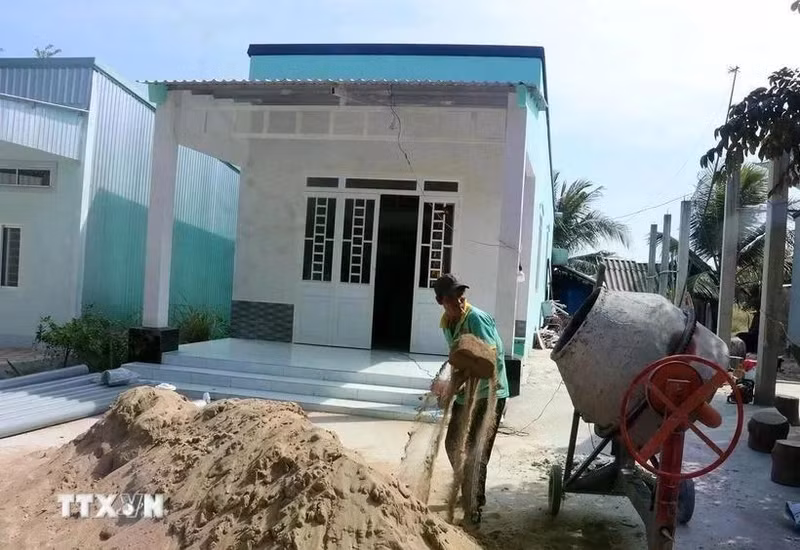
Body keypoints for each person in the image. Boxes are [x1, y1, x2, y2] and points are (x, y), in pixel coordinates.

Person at [430, 273, 509, 525]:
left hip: (488, 394)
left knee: (476, 453)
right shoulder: (447, 324)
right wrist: (450, 386)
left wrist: (453, 384)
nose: (459, 300)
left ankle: (474, 506)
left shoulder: (476, 318)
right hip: (466, 395)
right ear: (442, 301)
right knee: (453, 444)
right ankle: (468, 487)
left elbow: (487, 360)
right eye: (452, 297)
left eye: (461, 294)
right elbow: (459, 359)